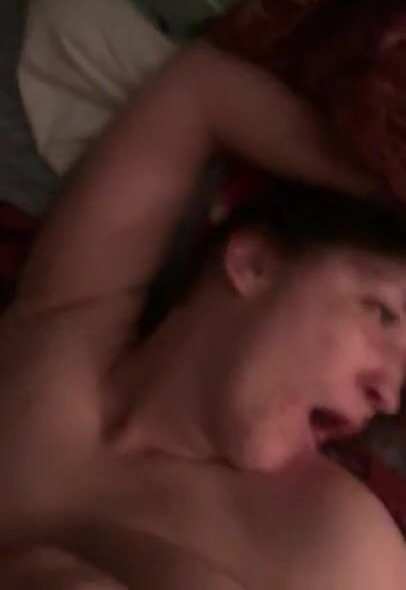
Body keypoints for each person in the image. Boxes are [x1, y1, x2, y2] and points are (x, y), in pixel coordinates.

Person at [0, 44, 405, 588]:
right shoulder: (68, 324)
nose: (390, 395)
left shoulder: (334, 542)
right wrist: (384, 199)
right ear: (253, 264)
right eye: (383, 314)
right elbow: (200, 92)